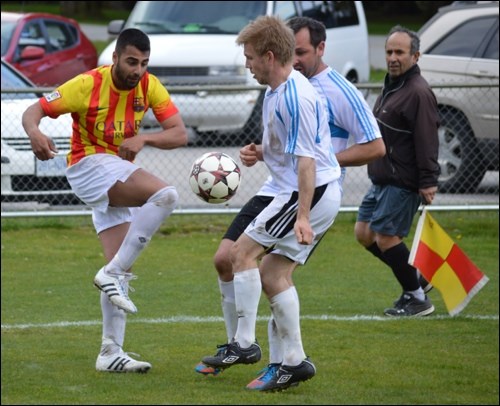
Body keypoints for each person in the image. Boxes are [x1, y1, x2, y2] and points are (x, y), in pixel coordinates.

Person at [194, 16, 385, 390]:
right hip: (301, 191)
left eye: (249, 58)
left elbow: (308, 162)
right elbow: (292, 149)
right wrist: (262, 152)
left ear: (268, 56)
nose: (246, 64)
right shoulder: (277, 90)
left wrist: (301, 216)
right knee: (272, 274)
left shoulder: (295, 96)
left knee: (241, 255)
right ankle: (294, 362)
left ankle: (244, 345)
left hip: (307, 194)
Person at [22, 28, 188, 372]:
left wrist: (145, 139)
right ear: (114, 58)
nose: (137, 70)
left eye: (143, 63)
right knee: (166, 194)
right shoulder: (86, 85)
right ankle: (110, 273)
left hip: (113, 171)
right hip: (87, 166)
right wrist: (35, 133)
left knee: (121, 269)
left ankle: (110, 353)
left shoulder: (149, 85)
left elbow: (179, 133)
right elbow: (33, 111)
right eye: (131, 62)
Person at [354, 25, 440, 317]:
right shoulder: (392, 86)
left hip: (403, 180)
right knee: (364, 233)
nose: (393, 57)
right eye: (389, 51)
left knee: (387, 238)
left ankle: (417, 298)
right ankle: (415, 278)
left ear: (415, 56)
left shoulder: (417, 92)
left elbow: (427, 140)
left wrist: (428, 181)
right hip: (380, 178)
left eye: (399, 52)